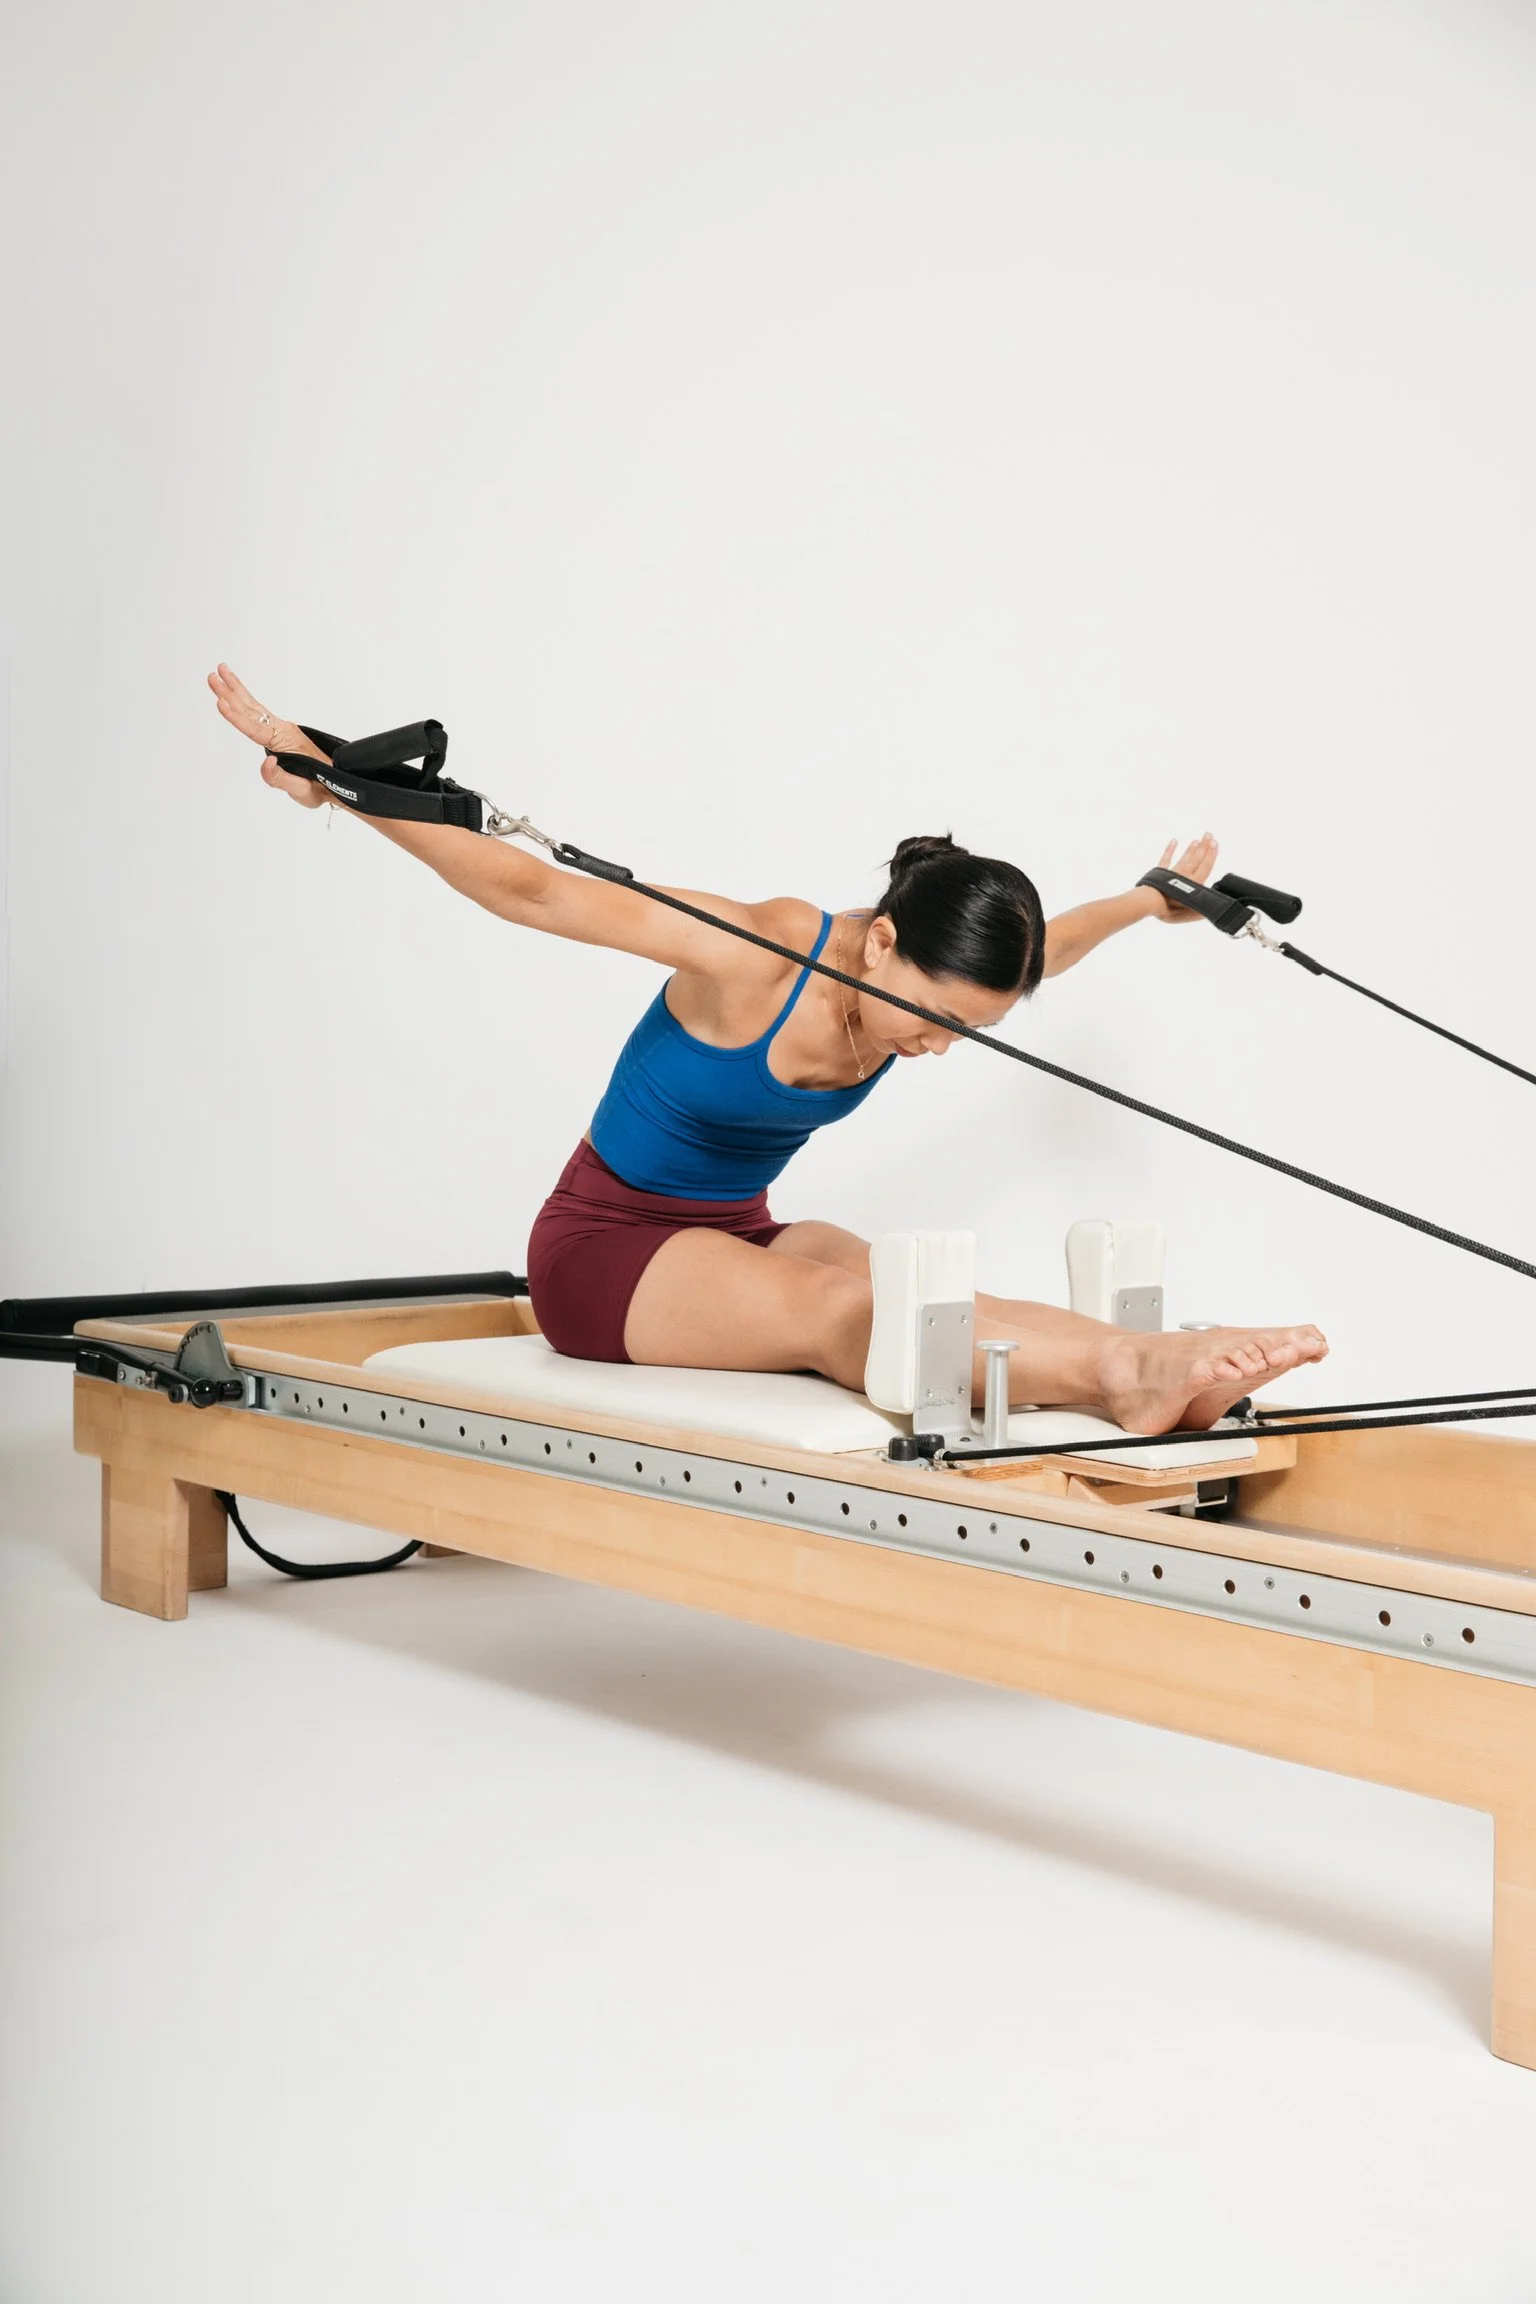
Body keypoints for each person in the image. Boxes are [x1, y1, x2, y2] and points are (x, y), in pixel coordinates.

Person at [209, 664, 1327, 1432]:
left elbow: (1055, 949)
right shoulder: (762, 953)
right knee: (846, 1318)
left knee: (905, 1283)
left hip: (735, 1235)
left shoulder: (927, 985)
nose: (939, 1047)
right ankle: (1128, 1373)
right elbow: (535, 892)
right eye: (934, 1019)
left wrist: (1147, 899)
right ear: (881, 942)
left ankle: (1147, 1372)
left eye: (971, 1030)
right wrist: (342, 782)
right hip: (605, 1256)